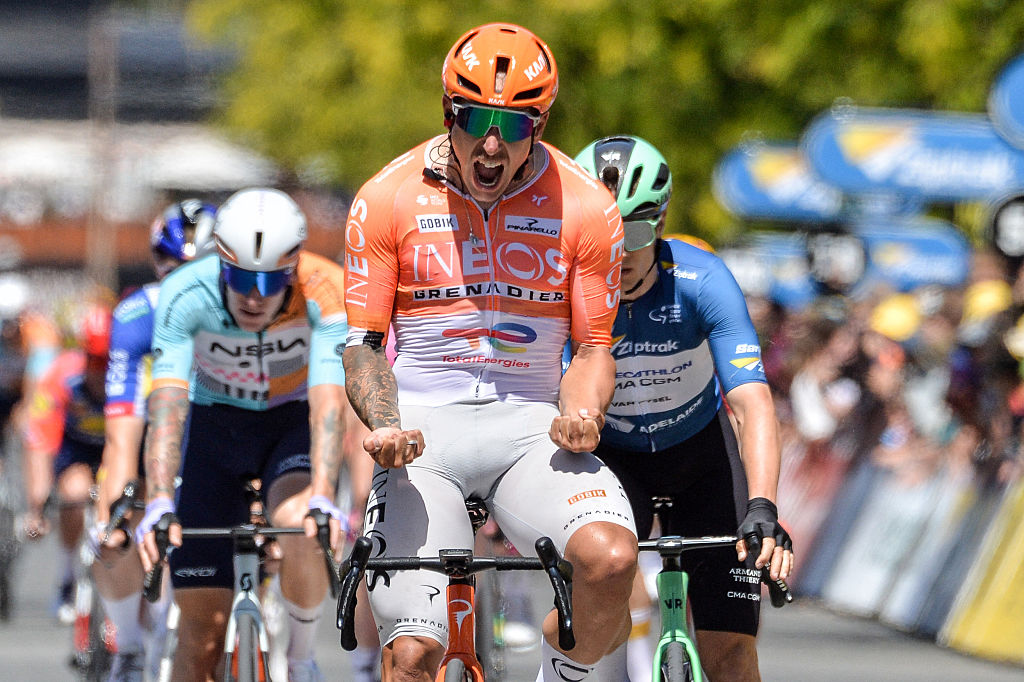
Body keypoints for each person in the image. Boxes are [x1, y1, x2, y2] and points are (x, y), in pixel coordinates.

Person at [343, 22, 638, 682]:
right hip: (423, 432)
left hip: (530, 430)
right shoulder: (386, 198)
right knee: (413, 655)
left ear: (541, 123)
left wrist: (584, 414)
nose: (492, 144)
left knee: (612, 561)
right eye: (475, 119)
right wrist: (385, 425)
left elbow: (593, 349)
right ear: (448, 112)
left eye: (516, 124)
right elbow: (363, 347)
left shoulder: (587, 206)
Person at [574, 135, 794, 682]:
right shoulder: (559, 288)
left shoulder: (703, 280)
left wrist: (764, 505)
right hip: (612, 462)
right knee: (590, 631)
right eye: (604, 234)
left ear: (662, 221)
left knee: (731, 655)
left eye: (636, 232)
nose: (621, 251)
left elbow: (751, 402)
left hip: (703, 459)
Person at [135, 187, 349, 682]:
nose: (255, 295)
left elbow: (328, 401)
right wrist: (160, 499)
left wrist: (324, 494)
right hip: (214, 429)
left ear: (293, 267)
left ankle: (300, 659)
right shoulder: (185, 291)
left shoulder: (326, 288)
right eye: (240, 277)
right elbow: (167, 404)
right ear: (220, 262)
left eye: (272, 279)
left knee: (303, 524)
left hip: (288, 425)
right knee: (200, 644)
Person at [92, 199, 216, 681]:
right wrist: (116, 515)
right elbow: (122, 435)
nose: (180, 282)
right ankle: (127, 648)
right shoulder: (136, 314)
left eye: (196, 268)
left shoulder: (247, 311)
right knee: (115, 525)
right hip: (153, 438)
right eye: (170, 265)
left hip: (217, 434)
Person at [22, 299, 112, 623]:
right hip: (77, 449)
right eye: (93, 360)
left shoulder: (132, 373)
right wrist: (37, 506)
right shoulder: (60, 375)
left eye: (106, 361)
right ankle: (66, 577)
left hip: (117, 448)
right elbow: (39, 441)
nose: (99, 371)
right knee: (74, 493)